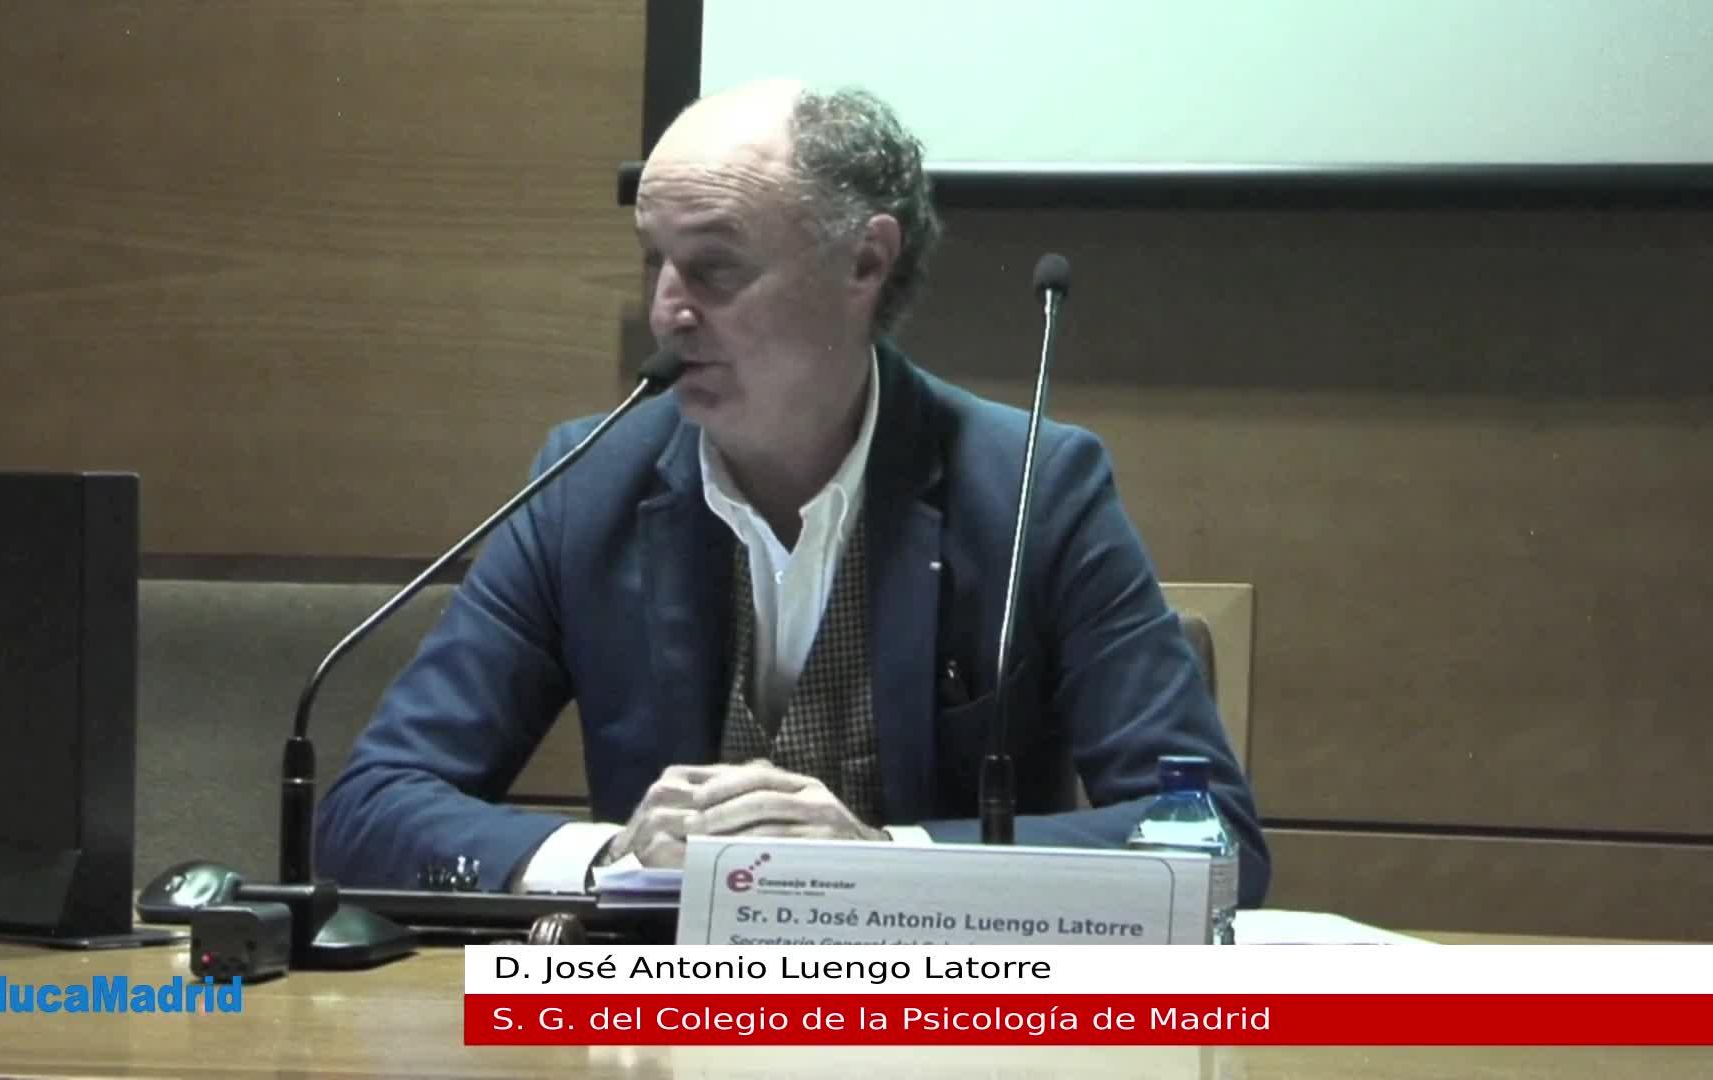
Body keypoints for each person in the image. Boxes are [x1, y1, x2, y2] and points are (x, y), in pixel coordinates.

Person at [315, 80, 1268, 905]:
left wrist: (888, 859)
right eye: (654, 260)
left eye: (715, 266)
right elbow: (370, 808)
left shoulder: (1033, 488)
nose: (666, 311)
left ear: (865, 262)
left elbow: (1212, 837)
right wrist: (609, 858)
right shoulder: (586, 483)